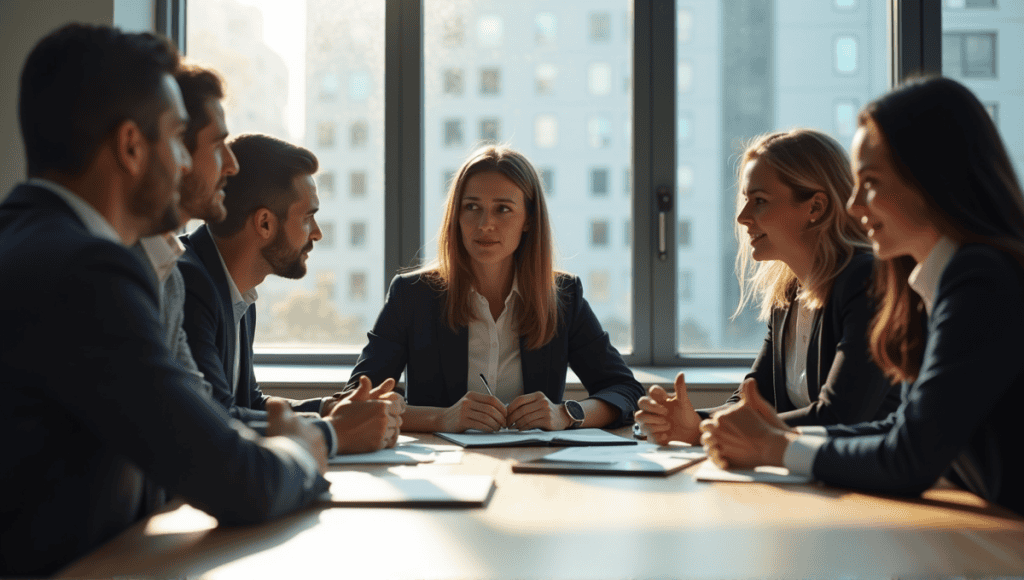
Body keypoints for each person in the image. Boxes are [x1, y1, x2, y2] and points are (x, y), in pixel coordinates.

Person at [0, 24, 328, 576]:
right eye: (179, 139)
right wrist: (304, 447)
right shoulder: (86, 272)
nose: (186, 166)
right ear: (131, 146)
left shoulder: (27, 241)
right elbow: (235, 480)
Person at [699, 76, 1024, 517]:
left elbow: (909, 458)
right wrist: (776, 441)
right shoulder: (938, 280)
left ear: (931, 179)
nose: (852, 206)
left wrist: (778, 450)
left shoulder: (980, 278)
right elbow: (900, 428)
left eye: (869, 182)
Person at [347, 145, 643, 433]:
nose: (485, 224)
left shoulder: (563, 296)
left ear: (528, 219)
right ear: (457, 216)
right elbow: (356, 401)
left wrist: (565, 414)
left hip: (534, 467)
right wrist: (442, 419)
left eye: (503, 209)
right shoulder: (412, 295)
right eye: (472, 207)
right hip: (442, 469)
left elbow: (625, 391)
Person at [635, 129, 898, 445]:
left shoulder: (867, 281)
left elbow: (840, 416)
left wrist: (706, 430)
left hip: (871, 481)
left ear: (815, 208)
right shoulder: (788, 294)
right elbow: (752, 400)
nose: (743, 217)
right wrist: (695, 422)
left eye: (759, 201)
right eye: (745, 200)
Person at [179, 133, 404, 454]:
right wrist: (334, 430)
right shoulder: (190, 283)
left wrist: (329, 408)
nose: (317, 232)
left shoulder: (236, 288)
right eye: (308, 216)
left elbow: (248, 402)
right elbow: (218, 418)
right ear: (265, 223)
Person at [130, 62, 241, 401]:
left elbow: (202, 408)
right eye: (218, 144)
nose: (233, 165)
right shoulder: (107, 267)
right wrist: (328, 431)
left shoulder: (171, 274)